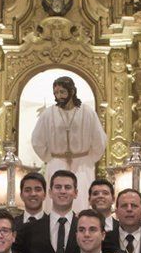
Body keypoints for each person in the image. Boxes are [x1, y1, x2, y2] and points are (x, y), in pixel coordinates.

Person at [0, 170, 123, 253]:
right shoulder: (29, 229)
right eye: (58, 187)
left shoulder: (87, 227)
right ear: (50, 193)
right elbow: (7, 250)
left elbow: (115, 249)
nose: (63, 191)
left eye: (67, 187)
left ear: (76, 193)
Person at [31, 76, 107, 211]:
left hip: (83, 164)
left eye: (62, 92)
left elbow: (99, 139)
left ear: (71, 91)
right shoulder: (48, 114)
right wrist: (50, 158)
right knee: (56, 201)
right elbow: (37, 140)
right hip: (56, 162)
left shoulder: (87, 112)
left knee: (82, 199)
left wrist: (89, 159)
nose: (59, 96)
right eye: (56, 93)